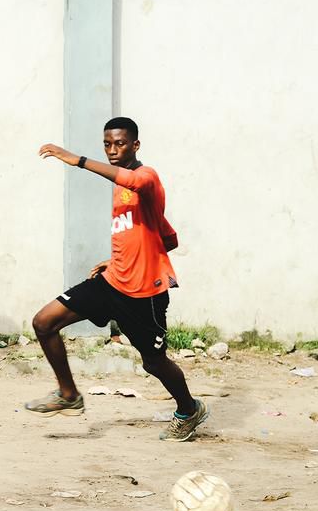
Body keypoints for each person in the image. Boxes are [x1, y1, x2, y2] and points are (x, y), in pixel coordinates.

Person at [25, 117, 209, 441]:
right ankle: (68, 395)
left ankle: (188, 409)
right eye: (107, 144)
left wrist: (77, 160)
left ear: (135, 145)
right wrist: (115, 260)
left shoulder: (146, 178)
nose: (112, 150)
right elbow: (168, 239)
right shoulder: (122, 190)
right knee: (44, 322)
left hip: (144, 295)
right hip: (111, 282)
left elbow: (135, 182)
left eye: (120, 143)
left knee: (153, 363)